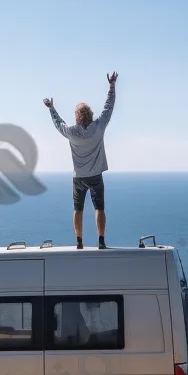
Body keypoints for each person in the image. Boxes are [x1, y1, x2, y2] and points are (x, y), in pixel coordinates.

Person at [43, 72, 117, 249]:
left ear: (77, 116)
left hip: (79, 177)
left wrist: (51, 108)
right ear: (90, 114)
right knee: (99, 208)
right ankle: (101, 241)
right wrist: (112, 86)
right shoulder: (99, 127)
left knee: (78, 209)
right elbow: (109, 107)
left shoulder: (72, 133)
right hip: (96, 175)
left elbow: (58, 123)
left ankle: (79, 242)